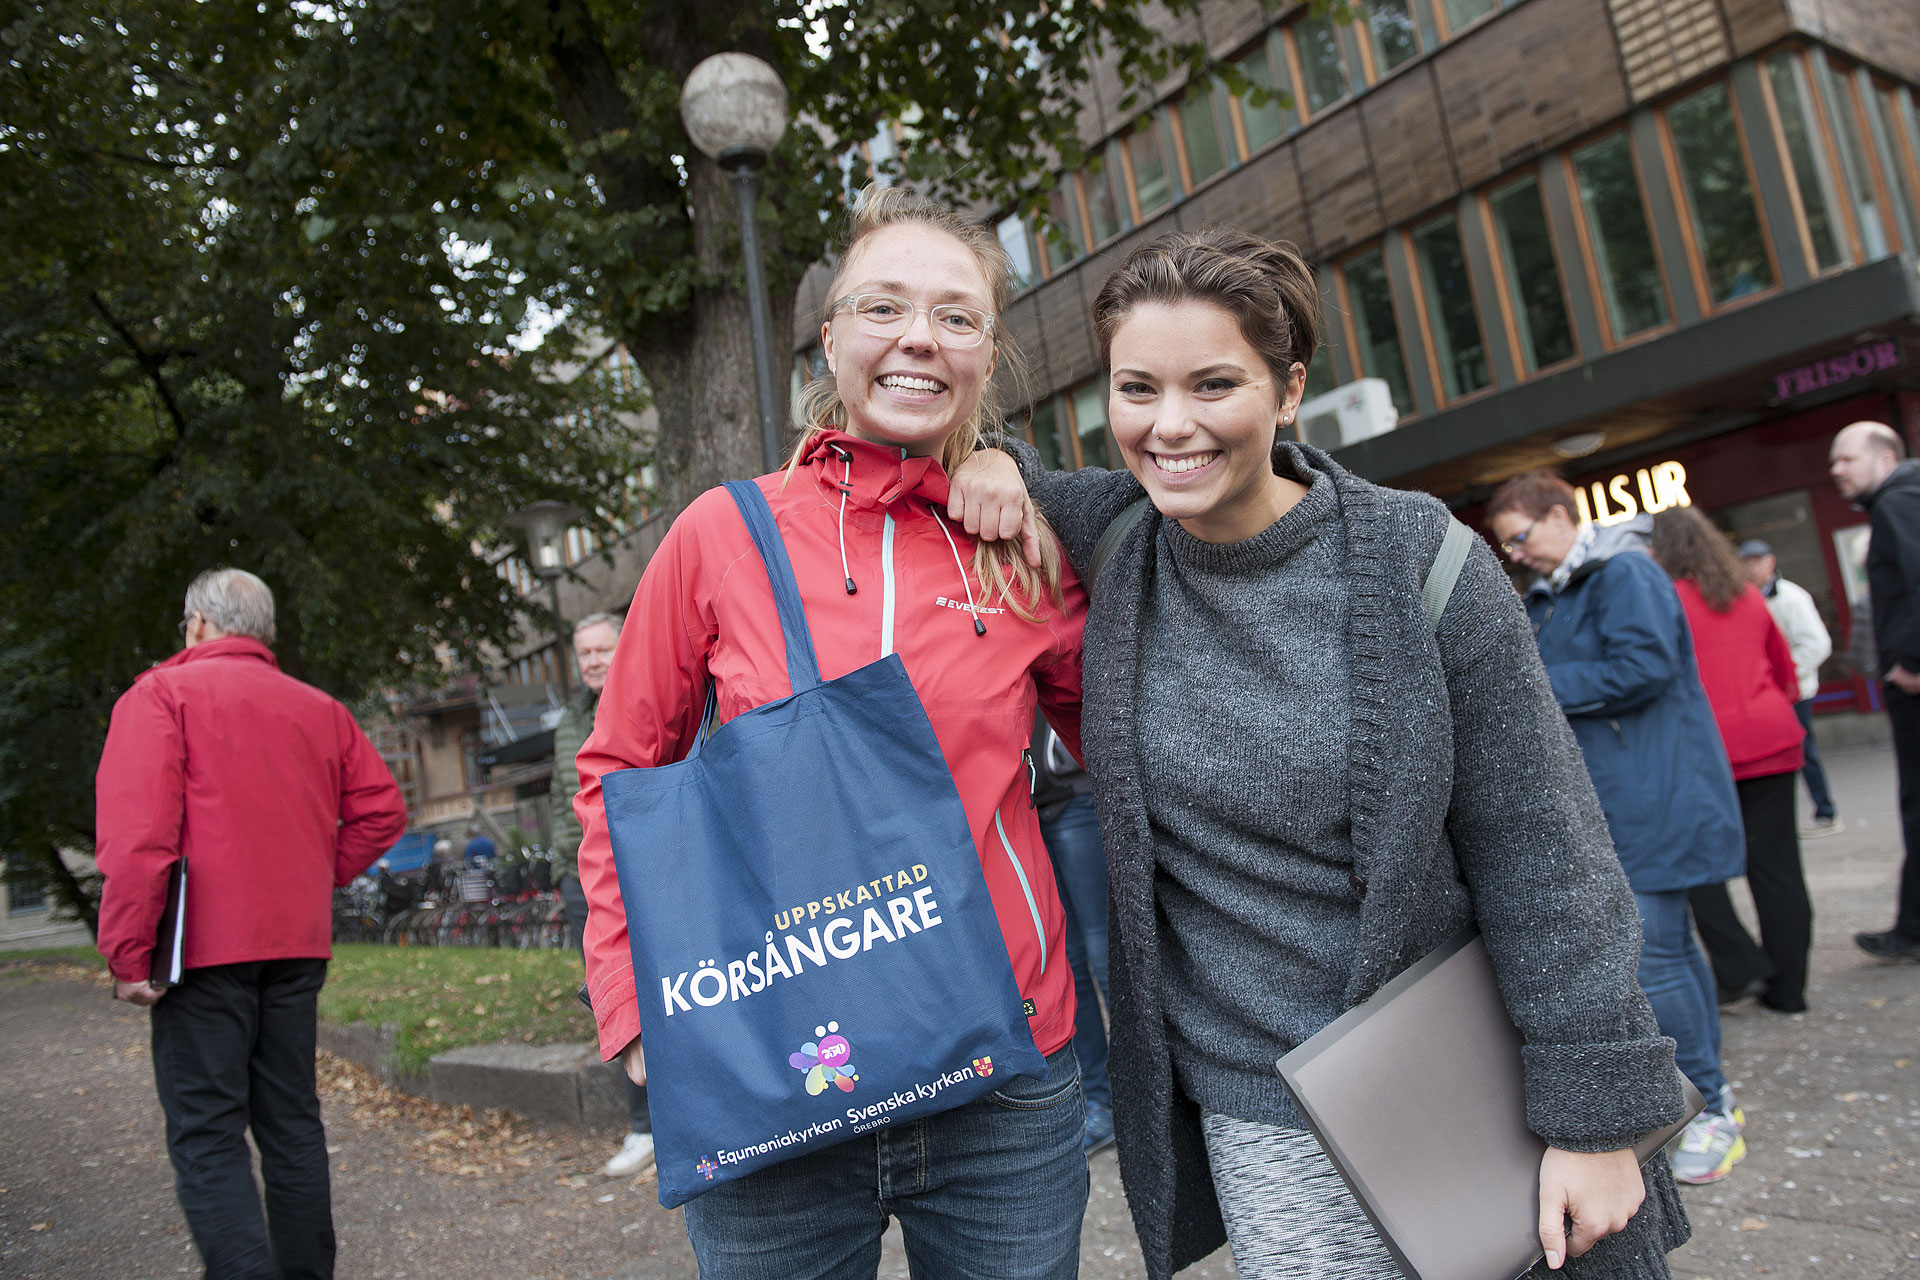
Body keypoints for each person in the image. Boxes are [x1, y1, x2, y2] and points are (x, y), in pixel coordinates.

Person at [952, 231, 1692, 1280]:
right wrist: (990, 459)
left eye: (1215, 383)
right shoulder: (1114, 538)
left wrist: (1596, 1115)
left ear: (1290, 388)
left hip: (1462, 1077)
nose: (1170, 424)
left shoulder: (1420, 560)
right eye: (1136, 387)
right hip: (1263, 1104)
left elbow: (1545, 850)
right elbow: (978, 457)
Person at [572, 186, 1091, 1280]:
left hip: (1004, 1071)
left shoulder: (1025, 549)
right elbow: (623, 767)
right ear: (832, 339)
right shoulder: (723, 533)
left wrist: (1020, 479)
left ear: (987, 357)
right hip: (778, 1059)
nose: (918, 336)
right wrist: (627, 999)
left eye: (956, 316)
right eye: (884, 307)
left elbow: (1128, 740)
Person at [95, 568, 408, 1280]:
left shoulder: (160, 697)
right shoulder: (319, 708)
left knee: (208, 1134)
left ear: (199, 624)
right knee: (292, 1124)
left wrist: (128, 953)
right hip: (294, 944)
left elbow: (139, 837)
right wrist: (316, 870)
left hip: (201, 948)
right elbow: (382, 811)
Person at [1483, 475, 1748, 1186]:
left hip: (1652, 795)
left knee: (1659, 957)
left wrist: (1534, 681)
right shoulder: (1563, 586)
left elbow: (1644, 666)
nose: (1516, 553)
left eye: (1520, 535)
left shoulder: (1623, 571)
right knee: (1673, 952)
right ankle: (1710, 1097)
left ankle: (1710, 1111)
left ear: (1562, 517)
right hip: (1636, 791)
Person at [1653, 512, 1813, 1014]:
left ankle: (1740, 965)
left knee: (1698, 866)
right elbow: (1786, 670)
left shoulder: (1664, 602)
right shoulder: (1747, 595)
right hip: (1771, 737)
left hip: (1705, 750)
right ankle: (1789, 992)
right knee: (1779, 869)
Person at [548, 610, 655, 1178]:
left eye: (602, 649)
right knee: (611, 1002)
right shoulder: (568, 717)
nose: (592, 660)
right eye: (583, 652)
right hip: (578, 878)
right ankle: (641, 1128)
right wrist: (564, 868)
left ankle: (668, 1118)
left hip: (635, 873)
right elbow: (559, 795)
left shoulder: (646, 696)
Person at [1829, 420, 1920, 961]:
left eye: (1846, 459)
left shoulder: (1896, 503)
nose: (1836, 470)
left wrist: (1911, 662)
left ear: (1884, 458)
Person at [1031, 710, 1114, 1154]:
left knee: (1106, 954)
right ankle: (1099, 1100)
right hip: (1029, 805)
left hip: (1078, 796)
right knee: (1064, 962)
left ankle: (1143, 1094)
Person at [1737, 539, 1838, 836]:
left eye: (1757, 560)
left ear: (1771, 562)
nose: (1752, 567)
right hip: (1767, 692)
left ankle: (1826, 811)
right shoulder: (1747, 599)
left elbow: (1817, 644)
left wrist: (1786, 673)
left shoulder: (1792, 598)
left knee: (1804, 751)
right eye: (1747, 561)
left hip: (1794, 690)